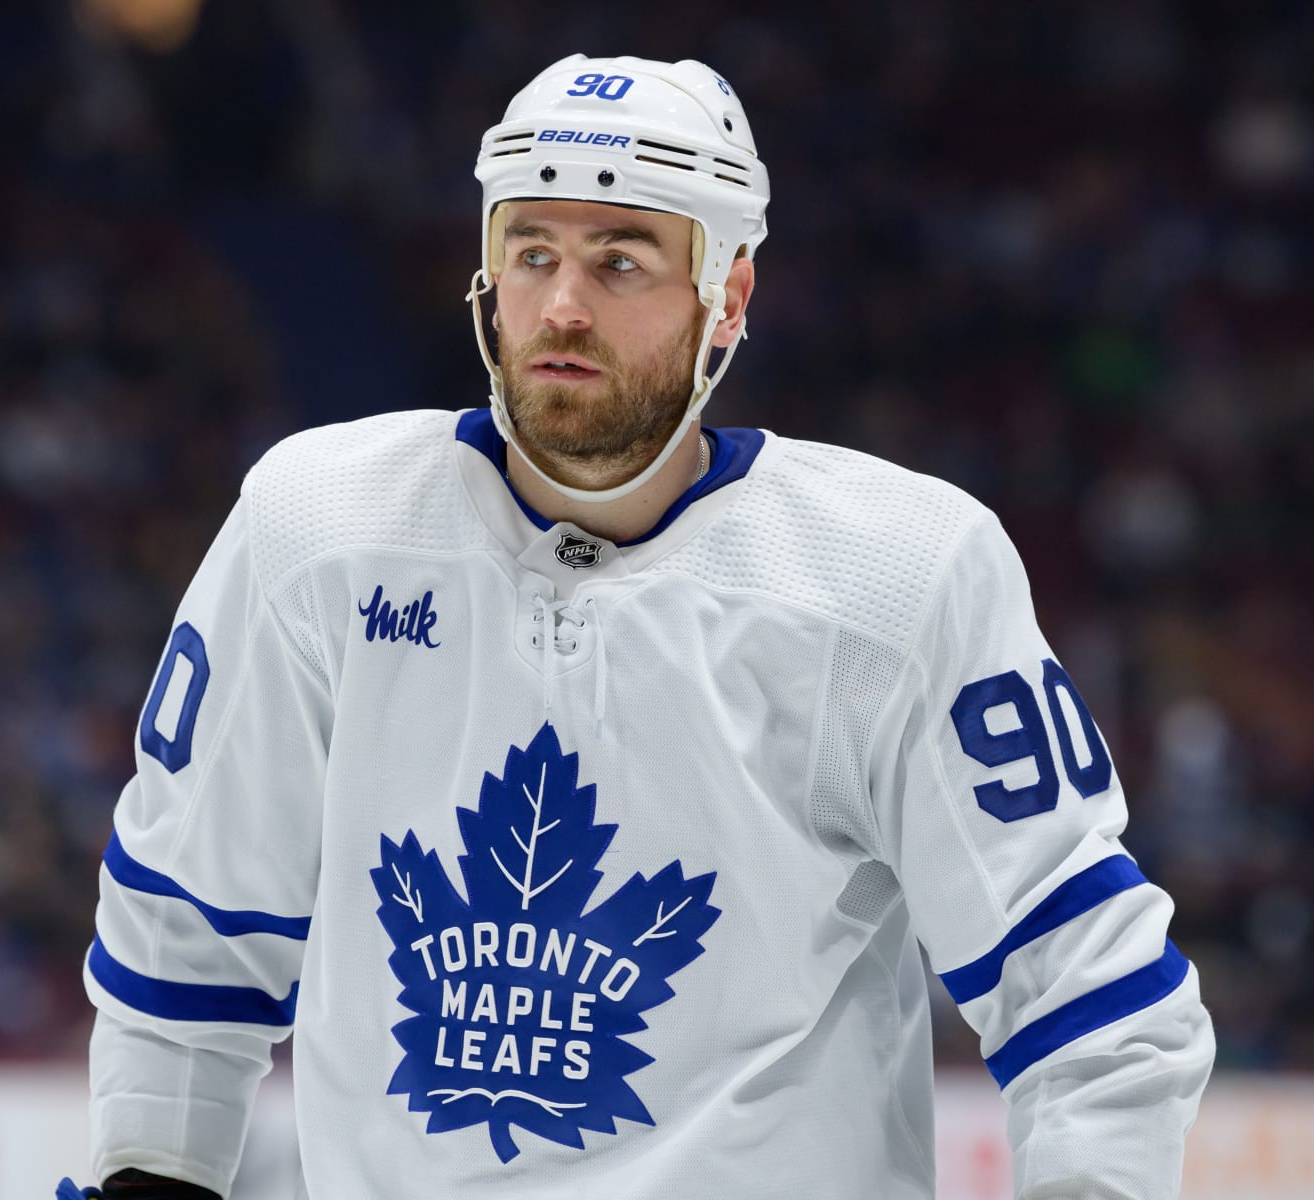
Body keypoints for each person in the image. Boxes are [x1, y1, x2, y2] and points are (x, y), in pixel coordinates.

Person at [58, 53, 1214, 1200]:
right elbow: (186, 930)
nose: (563, 303)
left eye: (621, 259)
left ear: (730, 297)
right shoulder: (315, 531)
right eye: (533, 253)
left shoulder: (896, 578)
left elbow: (1086, 988)